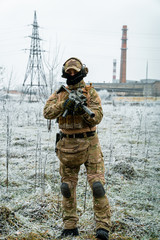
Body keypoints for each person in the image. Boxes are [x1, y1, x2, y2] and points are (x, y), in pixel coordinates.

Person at [43, 57, 111, 239]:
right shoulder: (59, 93)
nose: (71, 74)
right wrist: (63, 105)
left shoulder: (90, 93)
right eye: (69, 71)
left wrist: (82, 110)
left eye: (75, 71)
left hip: (90, 143)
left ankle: (103, 226)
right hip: (67, 144)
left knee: (97, 186)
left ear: (81, 71)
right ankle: (70, 225)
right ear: (65, 72)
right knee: (67, 186)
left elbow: (97, 117)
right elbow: (47, 113)